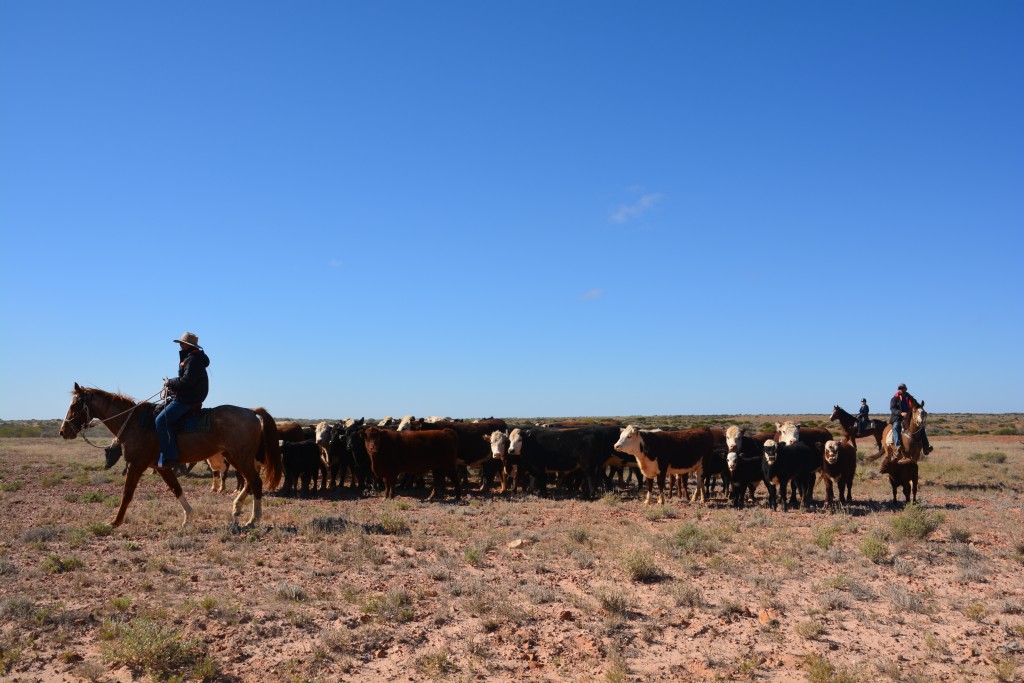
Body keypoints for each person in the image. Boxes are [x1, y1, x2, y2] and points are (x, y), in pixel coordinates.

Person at [155, 332, 210, 467]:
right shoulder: (192, 358)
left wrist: (169, 383)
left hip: (187, 399)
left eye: (182, 343)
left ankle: (171, 456)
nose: (180, 345)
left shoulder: (193, 360)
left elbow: (186, 382)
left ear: (188, 345)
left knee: (161, 421)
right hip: (187, 396)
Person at [889, 383, 932, 460]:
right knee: (896, 427)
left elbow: (917, 406)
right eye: (900, 388)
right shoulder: (894, 399)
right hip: (898, 418)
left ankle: (926, 447)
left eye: (902, 388)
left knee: (921, 428)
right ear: (898, 389)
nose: (901, 389)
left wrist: (922, 410)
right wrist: (900, 413)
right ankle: (897, 445)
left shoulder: (910, 398)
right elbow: (892, 409)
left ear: (906, 389)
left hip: (909, 417)